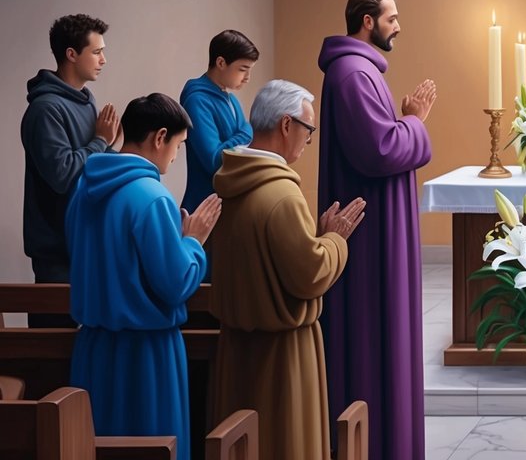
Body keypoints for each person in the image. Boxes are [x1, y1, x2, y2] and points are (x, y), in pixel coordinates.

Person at [211, 80, 365, 460]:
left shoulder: (231, 184)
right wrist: (334, 240)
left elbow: (266, 260)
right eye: (307, 130)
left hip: (236, 350)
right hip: (283, 357)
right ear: (286, 125)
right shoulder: (281, 195)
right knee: (284, 443)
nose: (307, 140)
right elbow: (309, 274)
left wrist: (314, 236)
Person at [65, 93, 220, 459]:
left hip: (93, 350)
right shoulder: (153, 197)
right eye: (178, 145)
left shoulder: (83, 191)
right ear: (159, 136)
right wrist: (194, 242)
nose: (175, 155)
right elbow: (175, 283)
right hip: (147, 356)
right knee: (155, 447)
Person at [318, 0, 434, 460]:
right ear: (367, 21)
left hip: (380, 226)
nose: (398, 25)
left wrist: (405, 122)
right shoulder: (352, 74)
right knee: (374, 335)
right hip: (372, 238)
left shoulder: (359, 71)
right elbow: (380, 150)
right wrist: (416, 121)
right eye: (391, 17)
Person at [22, 13, 119, 328]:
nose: (104, 59)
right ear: (71, 54)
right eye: (96, 52)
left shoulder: (84, 101)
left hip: (85, 247)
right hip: (57, 256)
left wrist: (116, 149)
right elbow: (64, 175)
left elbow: (91, 162)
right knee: (52, 359)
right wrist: (102, 141)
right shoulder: (45, 109)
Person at [181, 29, 259, 214]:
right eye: (242, 69)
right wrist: (246, 132)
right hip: (204, 206)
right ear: (221, 62)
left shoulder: (231, 99)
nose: (247, 78)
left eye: (250, 70)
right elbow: (214, 160)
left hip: (227, 204)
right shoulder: (196, 100)